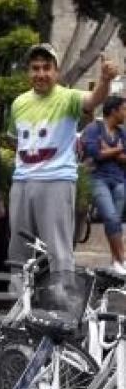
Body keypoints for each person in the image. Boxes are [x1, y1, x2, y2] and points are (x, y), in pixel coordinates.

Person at [7, 44, 118, 280]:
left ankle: (61, 301)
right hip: (22, 182)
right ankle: (18, 300)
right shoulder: (18, 103)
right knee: (18, 247)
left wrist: (105, 81)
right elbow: (15, 141)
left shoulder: (68, 97)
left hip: (56, 181)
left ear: (56, 72)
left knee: (56, 245)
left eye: (47, 68)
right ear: (28, 72)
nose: (40, 74)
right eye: (35, 68)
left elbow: (92, 100)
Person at [80, 95, 126, 272]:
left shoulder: (122, 132)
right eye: (123, 109)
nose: (125, 113)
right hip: (97, 178)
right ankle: (122, 257)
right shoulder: (94, 128)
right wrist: (119, 150)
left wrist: (109, 150)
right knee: (110, 216)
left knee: (115, 221)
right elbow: (94, 153)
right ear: (114, 111)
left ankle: (116, 262)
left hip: (119, 180)